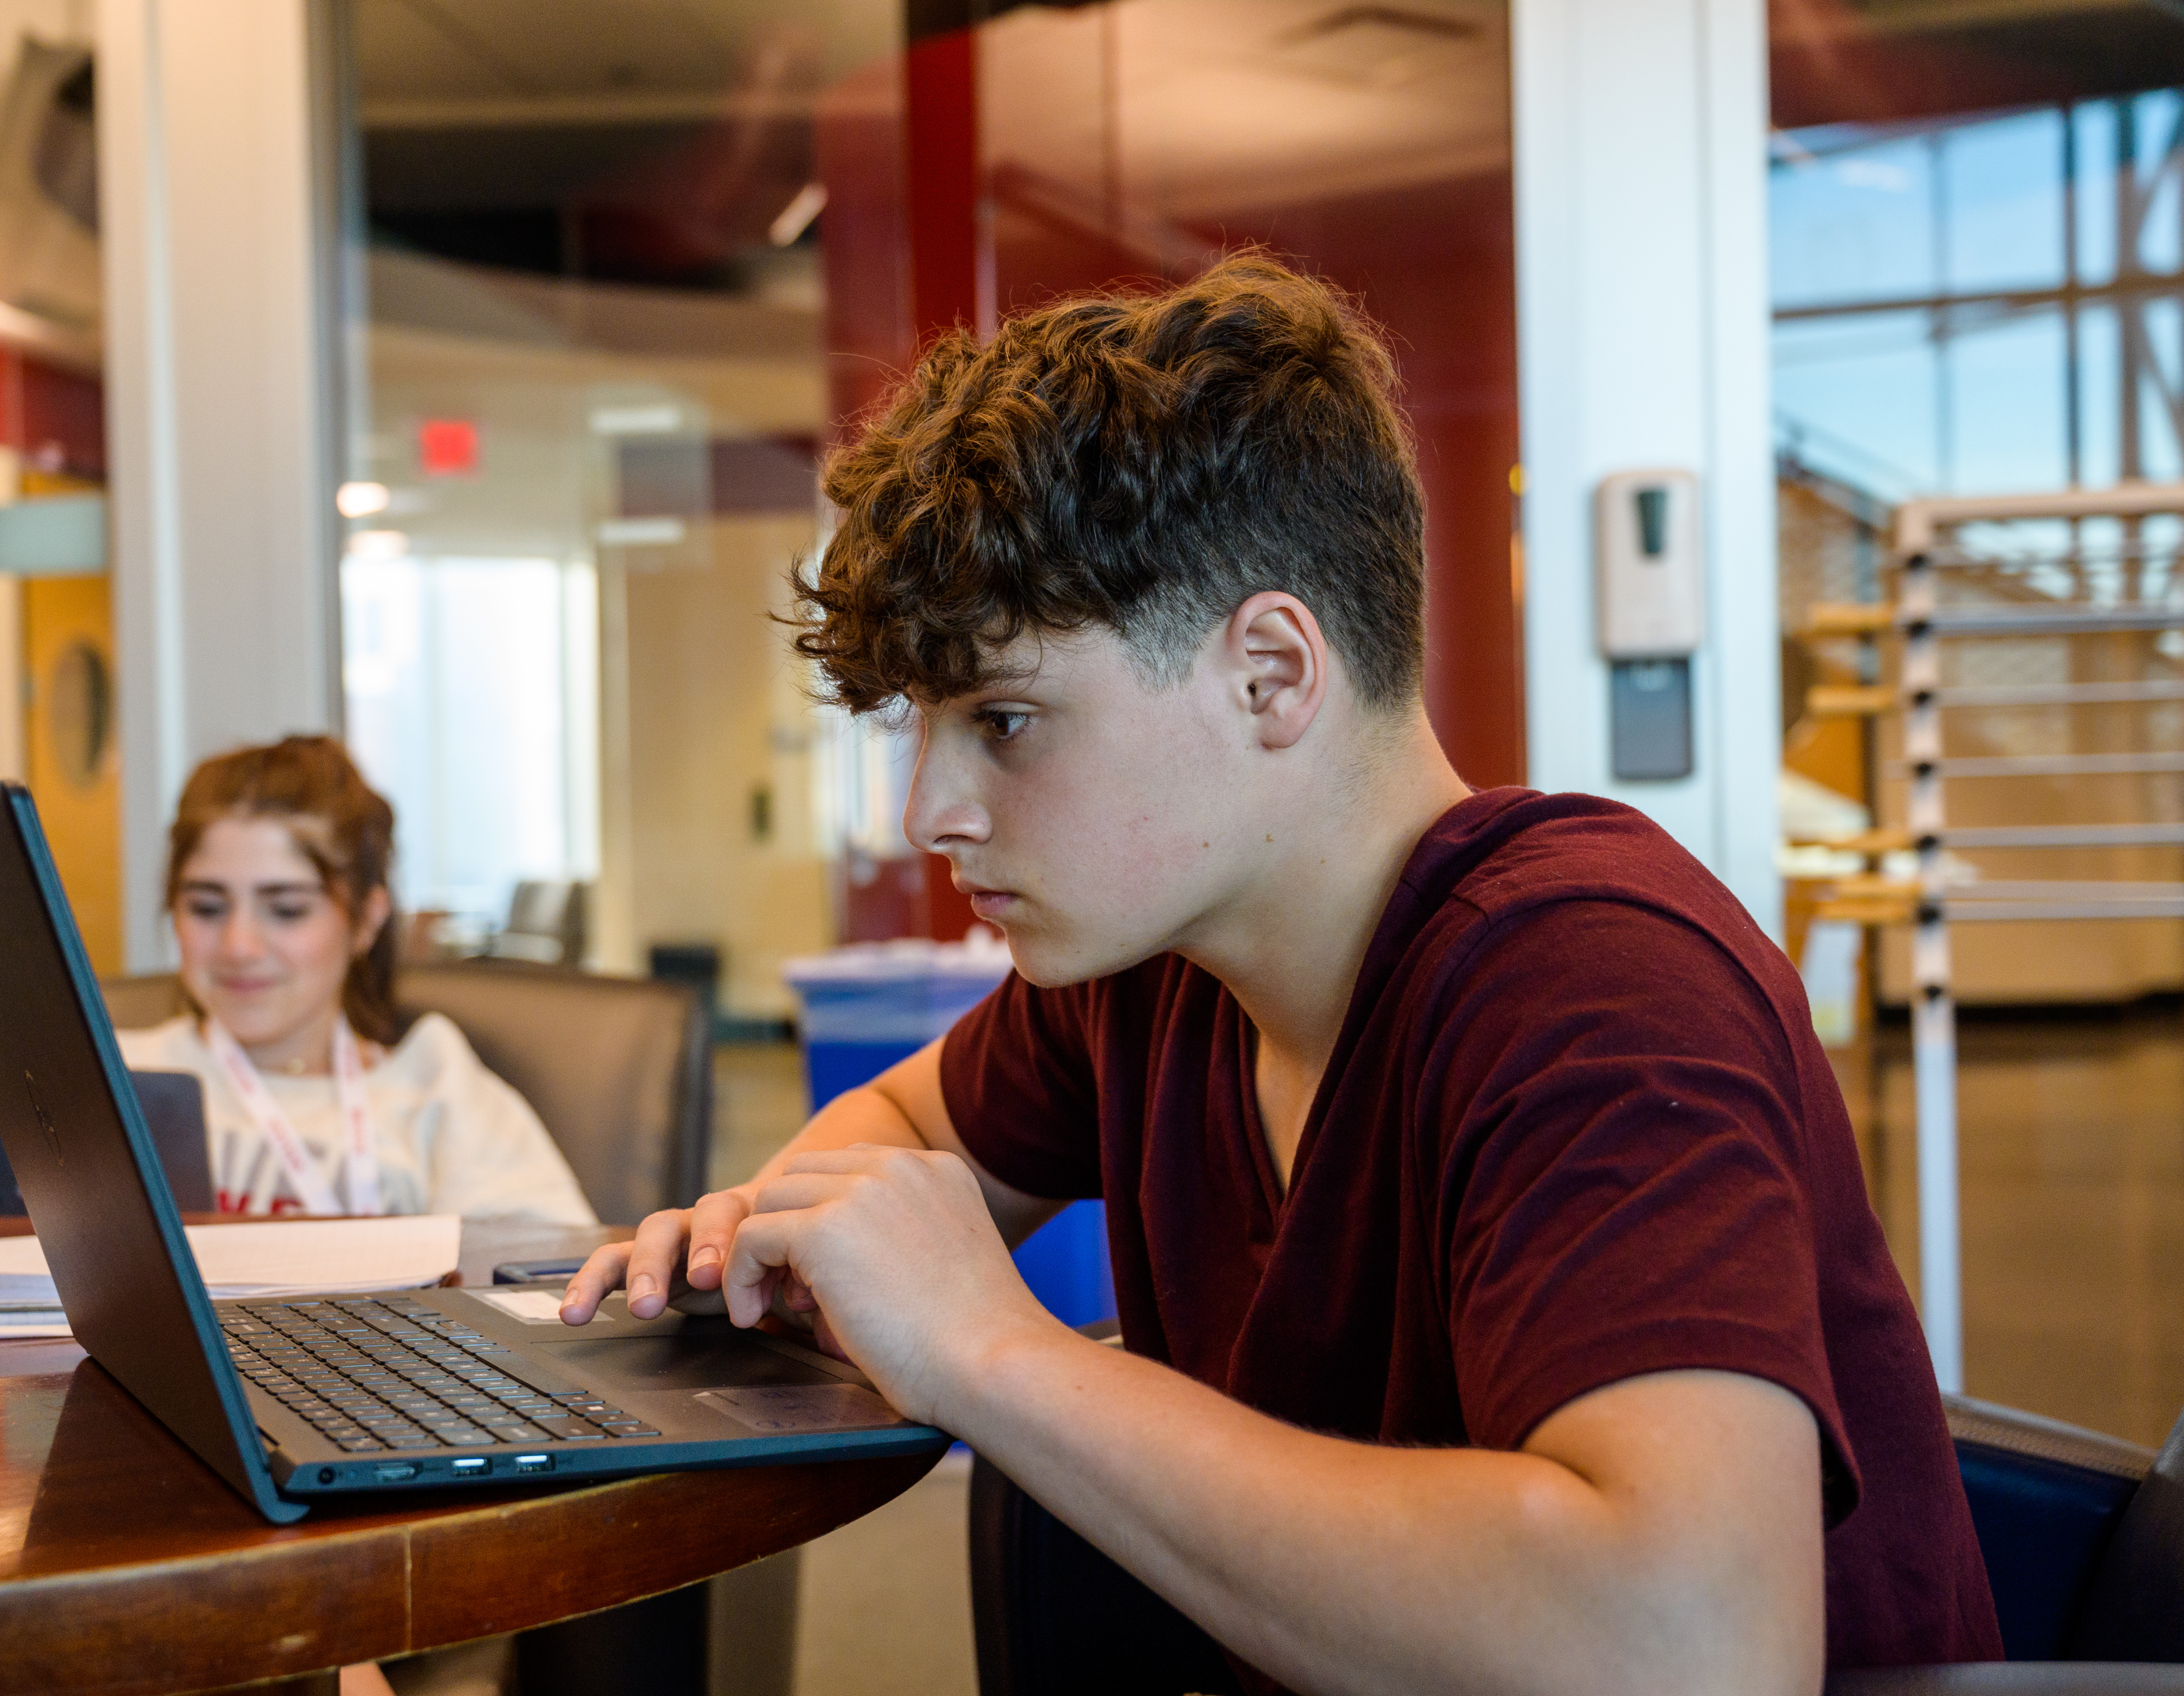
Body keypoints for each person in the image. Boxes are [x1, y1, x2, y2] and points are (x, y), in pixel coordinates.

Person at [560, 257, 2000, 1692]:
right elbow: (900, 1130)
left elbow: (1687, 1649)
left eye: (1003, 721)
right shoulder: (1153, 962)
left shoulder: (1596, 991)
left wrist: (986, 1352)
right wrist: (758, 1238)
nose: (925, 811)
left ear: (1267, 673)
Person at [118, 735, 594, 1226]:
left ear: (367, 918)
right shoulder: (112, 1080)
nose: (239, 946)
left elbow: (555, 1280)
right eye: (207, 907)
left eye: (287, 910)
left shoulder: (439, 1091)